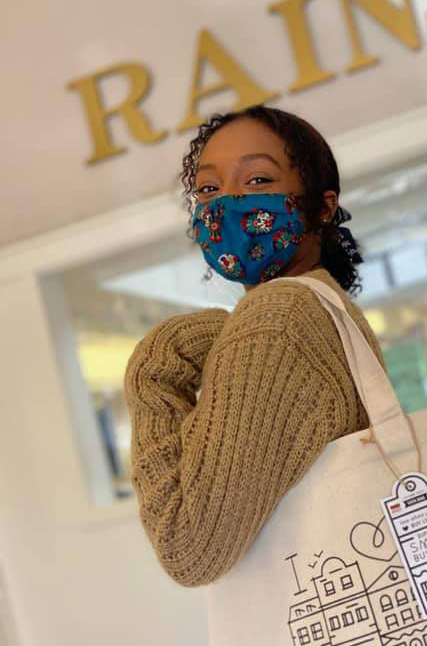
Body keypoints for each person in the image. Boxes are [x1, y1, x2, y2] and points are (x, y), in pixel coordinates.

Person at [123, 106, 386, 587]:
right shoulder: (322, 309)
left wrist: (155, 366)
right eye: (208, 188)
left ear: (322, 207)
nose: (228, 203)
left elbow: (188, 551)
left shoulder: (277, 318)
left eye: (259, 180)